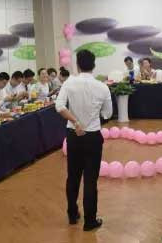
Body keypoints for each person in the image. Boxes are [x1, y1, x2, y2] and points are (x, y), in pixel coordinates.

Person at [56, 49, 112, 231]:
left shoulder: (69, 83)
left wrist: (75, 122)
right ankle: (90, 221)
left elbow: (59, 106)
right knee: (90, 180)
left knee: (73, 177)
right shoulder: (102, 87)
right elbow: (108, 114)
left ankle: (72, 214)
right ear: (93, 65)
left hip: (73, 135)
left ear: (78, 65)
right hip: (93, 137)